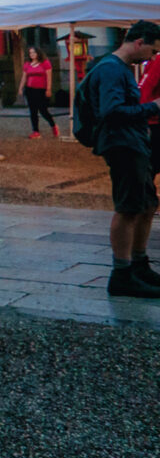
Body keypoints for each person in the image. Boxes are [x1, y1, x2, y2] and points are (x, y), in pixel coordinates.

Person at [77, 21, 160, 298]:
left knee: (145, 203)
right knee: (128, 207)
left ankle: (138, 265)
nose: (151, 57)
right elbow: (111, 112)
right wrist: (153, 107)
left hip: (131, 143)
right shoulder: (112, 70)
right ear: (139, 42)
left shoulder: (118, 68)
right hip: (121, 144)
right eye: (152, 50)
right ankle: (122, 273)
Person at [23, 45, 60, 139]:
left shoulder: (45, 63)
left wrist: (48, 89)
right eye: (30, 53)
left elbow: (49, 77)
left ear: (38, 53)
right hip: (30, 89)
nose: (32, 54)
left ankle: (53, 125)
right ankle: (35, 131)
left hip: (41, 89)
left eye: (33, 52)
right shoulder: (27, 64)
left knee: (43, 110)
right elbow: (24, 77)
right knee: (33, 111)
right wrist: (21, 87)